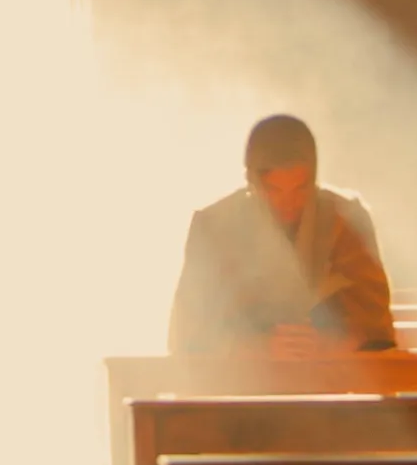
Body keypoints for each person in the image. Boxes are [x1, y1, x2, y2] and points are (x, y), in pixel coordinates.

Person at [166, 113, 395, 358]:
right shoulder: (213, 227)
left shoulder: (346, 220)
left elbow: (376, 326)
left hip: (332, 370)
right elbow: (188, 335)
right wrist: (258, 348)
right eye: (273, 190)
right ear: (252, 182)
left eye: (300, 189)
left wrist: (327, 343)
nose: (288, 202)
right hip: (241, 375)